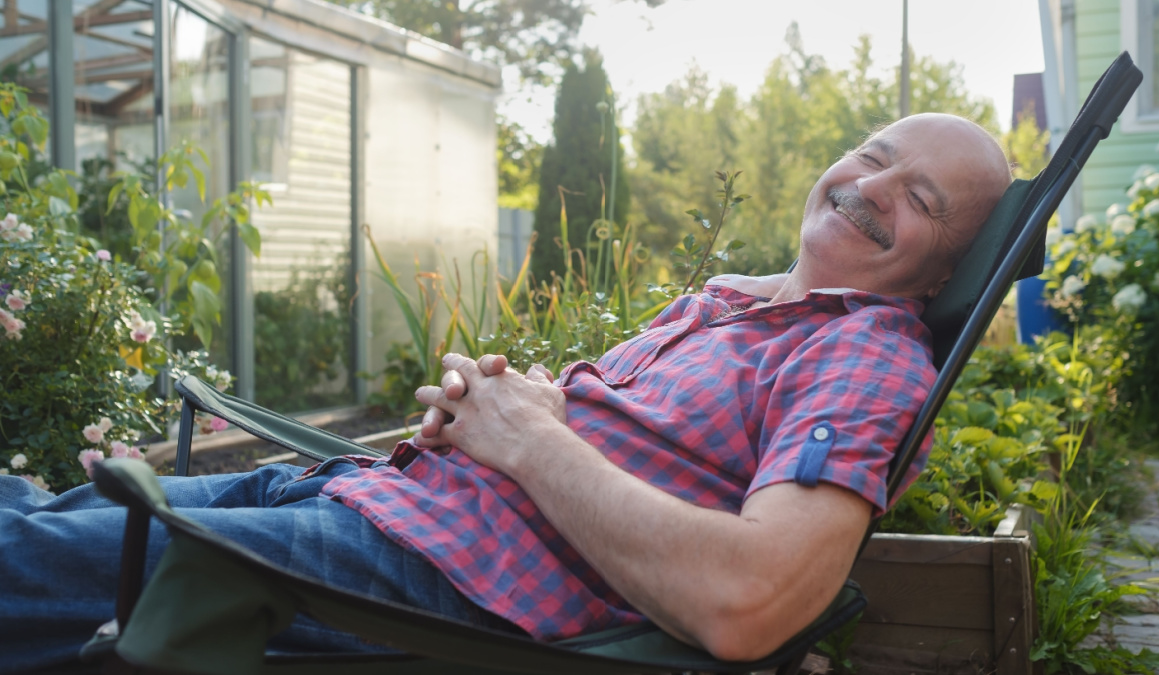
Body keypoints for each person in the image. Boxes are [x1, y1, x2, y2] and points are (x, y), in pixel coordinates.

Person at [0, 112, 1011, 671]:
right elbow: (592, 446)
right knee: (37, 518)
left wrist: (529, 440)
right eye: (874, 158)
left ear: (938, 276)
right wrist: (487, 412)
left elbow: (752, 604)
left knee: (26, 557)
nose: (873, 189)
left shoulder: (863, 358)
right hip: (366, 499)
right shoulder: (730, 301)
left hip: (427, 579)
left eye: (919, 201)